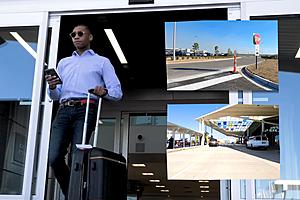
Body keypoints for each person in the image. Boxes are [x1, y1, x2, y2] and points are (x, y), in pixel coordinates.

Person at [45, 24, 122, 199]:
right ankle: (71, 192)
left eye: (80, 33)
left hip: (86, 108)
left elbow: (117, 93)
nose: (76, 36)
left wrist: (104, 92)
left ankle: (76, 194)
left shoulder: (102, 61)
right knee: (54, 157)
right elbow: (56, 95)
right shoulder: (64, 62)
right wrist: (52, 87)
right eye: (73, 34)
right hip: (63, 109)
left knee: (76, 157)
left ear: (90, 37)